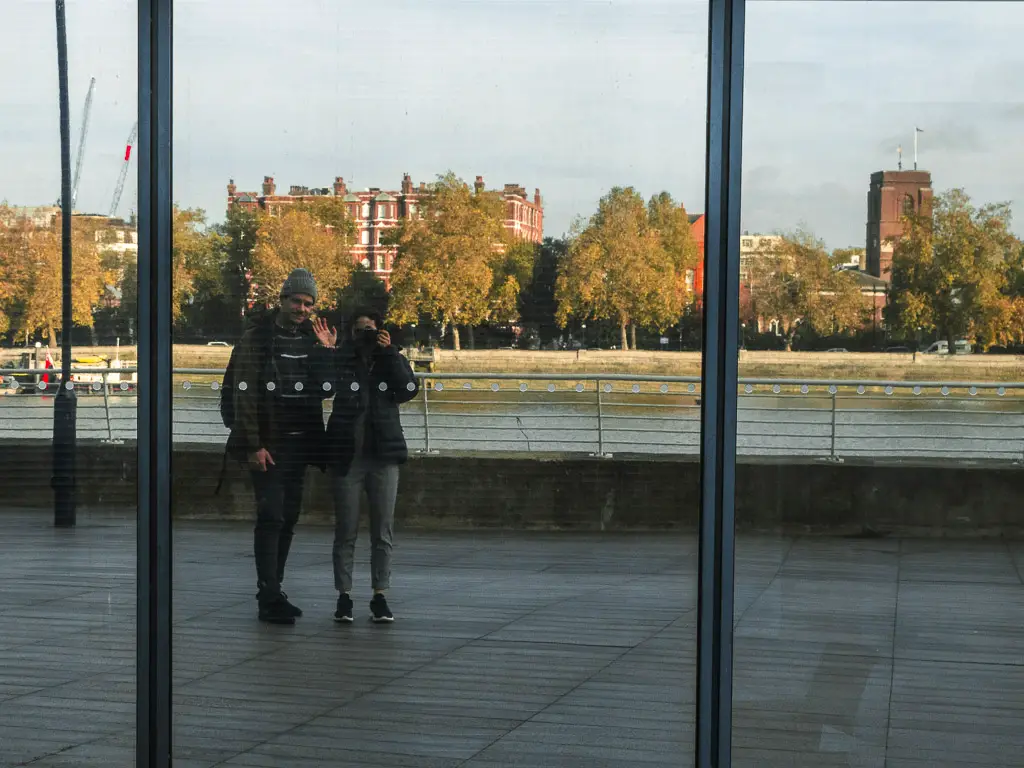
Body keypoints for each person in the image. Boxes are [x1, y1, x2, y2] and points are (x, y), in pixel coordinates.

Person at [231, 268, 328, 625]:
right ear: (283, 300)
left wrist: (328, 352)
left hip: (300, 445)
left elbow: (327, 388)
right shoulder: (257, 339)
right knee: (270, 517)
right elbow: (244, 395)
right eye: (297, 301)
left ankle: (275, 589)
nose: (303, 309)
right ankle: (268, 595)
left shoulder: (311, 339)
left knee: (288, 519)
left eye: (309, 304)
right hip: (269, 446)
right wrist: (254, 444)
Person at [313, 309, 419, 623]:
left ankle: (379, 596)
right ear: (350, 334)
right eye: (359, 329)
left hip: (383, 457)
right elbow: (323, 388)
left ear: (381, 331)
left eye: (370, 328)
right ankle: (343, 597)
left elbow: (407, 390)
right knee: (345, 530)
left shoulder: (390, 358)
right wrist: (327, 351)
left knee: (382, 532)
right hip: (347, 458)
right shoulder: (342, 359)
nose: (365, 334)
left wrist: (390, 354)